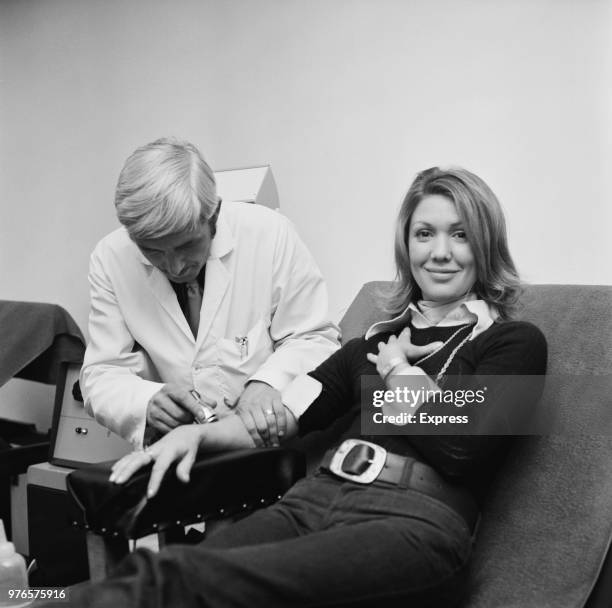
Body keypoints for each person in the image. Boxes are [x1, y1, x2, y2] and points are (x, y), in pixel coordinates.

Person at [70, 167, 547, 607]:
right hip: (312, 501)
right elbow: (284, 417)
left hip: (413, 522)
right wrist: (197, 434)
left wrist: (395, 369)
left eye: (460, 235)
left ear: (485, 246)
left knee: (176, 579)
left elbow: (459, 445)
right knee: (167, 571)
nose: (440, 252)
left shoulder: (514, 343)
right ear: (407, 246)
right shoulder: (365, 348)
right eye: (425, 234)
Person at [80, 137, 340, 449]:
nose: (174, 266)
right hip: (174, 449)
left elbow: (314, 338)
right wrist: (146, 401)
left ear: (213, 215)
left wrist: (267, 381)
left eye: (186, 245)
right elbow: (101, 373)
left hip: (262, 447)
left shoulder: (269, 234)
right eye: (153, 251)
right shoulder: (111, 258)